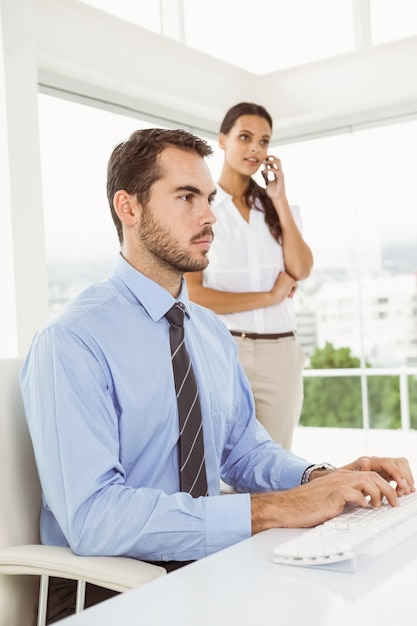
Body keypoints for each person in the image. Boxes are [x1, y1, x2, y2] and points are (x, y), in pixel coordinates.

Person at [20, 128, 414, 622]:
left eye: (208, 198)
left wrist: (324, 479)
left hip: (204, 566)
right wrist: (274, 509)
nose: (209, 215)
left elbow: (242, 449)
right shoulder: (72, 340)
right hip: (107, 590)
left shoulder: (207, 329)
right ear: (129, 207)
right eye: (186, 197)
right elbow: (94, 518)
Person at [186, 102, 312, 450]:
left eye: (264, 141)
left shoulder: (276, 208)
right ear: (223, 140)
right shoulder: (203, 209)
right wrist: (269, 297)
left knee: (275, 462)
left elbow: (301, 268)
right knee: (218, 457)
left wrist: (280, 199)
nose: (255, 148)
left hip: (280, 351)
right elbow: (194, 294)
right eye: (245, 137)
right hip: (225, 348)